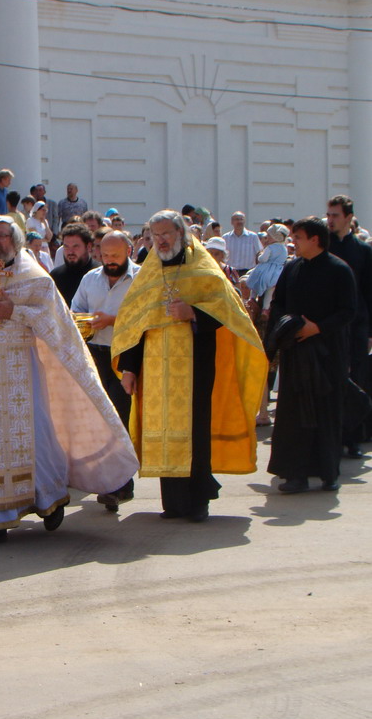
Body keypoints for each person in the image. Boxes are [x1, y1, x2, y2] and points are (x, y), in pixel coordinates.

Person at [0, 215, 139, 547]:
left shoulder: (36, 278)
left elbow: (56, 323)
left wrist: (14, 311)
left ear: (15, 240)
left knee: (37, 436)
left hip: (23, 370)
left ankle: (50, 499)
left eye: (1, 235)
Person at [112, 210, 266, 522]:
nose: (160, 241)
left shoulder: (202, 267)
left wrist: (193, 313)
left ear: (181, 234)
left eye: (166, 234)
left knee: (194, 430)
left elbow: (228, 310)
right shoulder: (150, 272)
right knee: (162, 430)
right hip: (155, 369)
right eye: (155, 235)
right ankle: (173, 503)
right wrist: (129, 368)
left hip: (195, 366)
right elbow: (136, 324)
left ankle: (198, 501)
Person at [267, 216, 356, 493]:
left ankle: (328, 473)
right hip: (296, 353)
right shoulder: (292, 268)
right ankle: (295, 475)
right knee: (294, 414)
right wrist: (288, 327)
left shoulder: (339, 269)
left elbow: (348, 311)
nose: (293, 242)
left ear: (314, 240)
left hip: (328, 354)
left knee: (326, 413)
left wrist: (317, 328)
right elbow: (278, 303)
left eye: (298, 237)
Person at [72, 230, 140, 511]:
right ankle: (107, 481)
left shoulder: (140, 278)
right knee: (98, 420)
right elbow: (75, 310)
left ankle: (121, 485)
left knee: (120, 419)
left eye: (116, 255)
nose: (110, 260)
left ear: (129, 251)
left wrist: (112, 320)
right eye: (106, 255)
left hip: (126, 356)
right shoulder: (90, 279)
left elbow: (144, 317)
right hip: (96, 355)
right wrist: (83, 320)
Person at [327, 194, 372, 457]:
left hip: (357, 326)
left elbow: (369, 292)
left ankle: (353, 438)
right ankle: (331, 437)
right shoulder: (323, 247)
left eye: (335, 215)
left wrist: (369, 331)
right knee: (330, 380)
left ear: (348, 217)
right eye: (328, 215)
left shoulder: (363, 251)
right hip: (330, 326)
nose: (330, 220)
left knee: (356, 381)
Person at [49, 223, 98, 306]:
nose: (70, 252)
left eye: (75, 246)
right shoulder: (55, 276)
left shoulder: (100, 275)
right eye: (66, 246)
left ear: (88, 247)